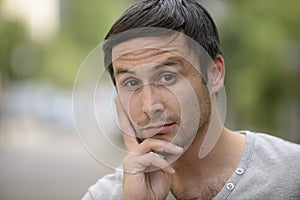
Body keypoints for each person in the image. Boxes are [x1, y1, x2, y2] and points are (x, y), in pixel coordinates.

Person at [82, 0, 300, 199]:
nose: (150, 106)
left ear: (215, 73)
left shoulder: (291, 176)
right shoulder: (105, 195)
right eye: (131, 83)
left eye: (167, 77)